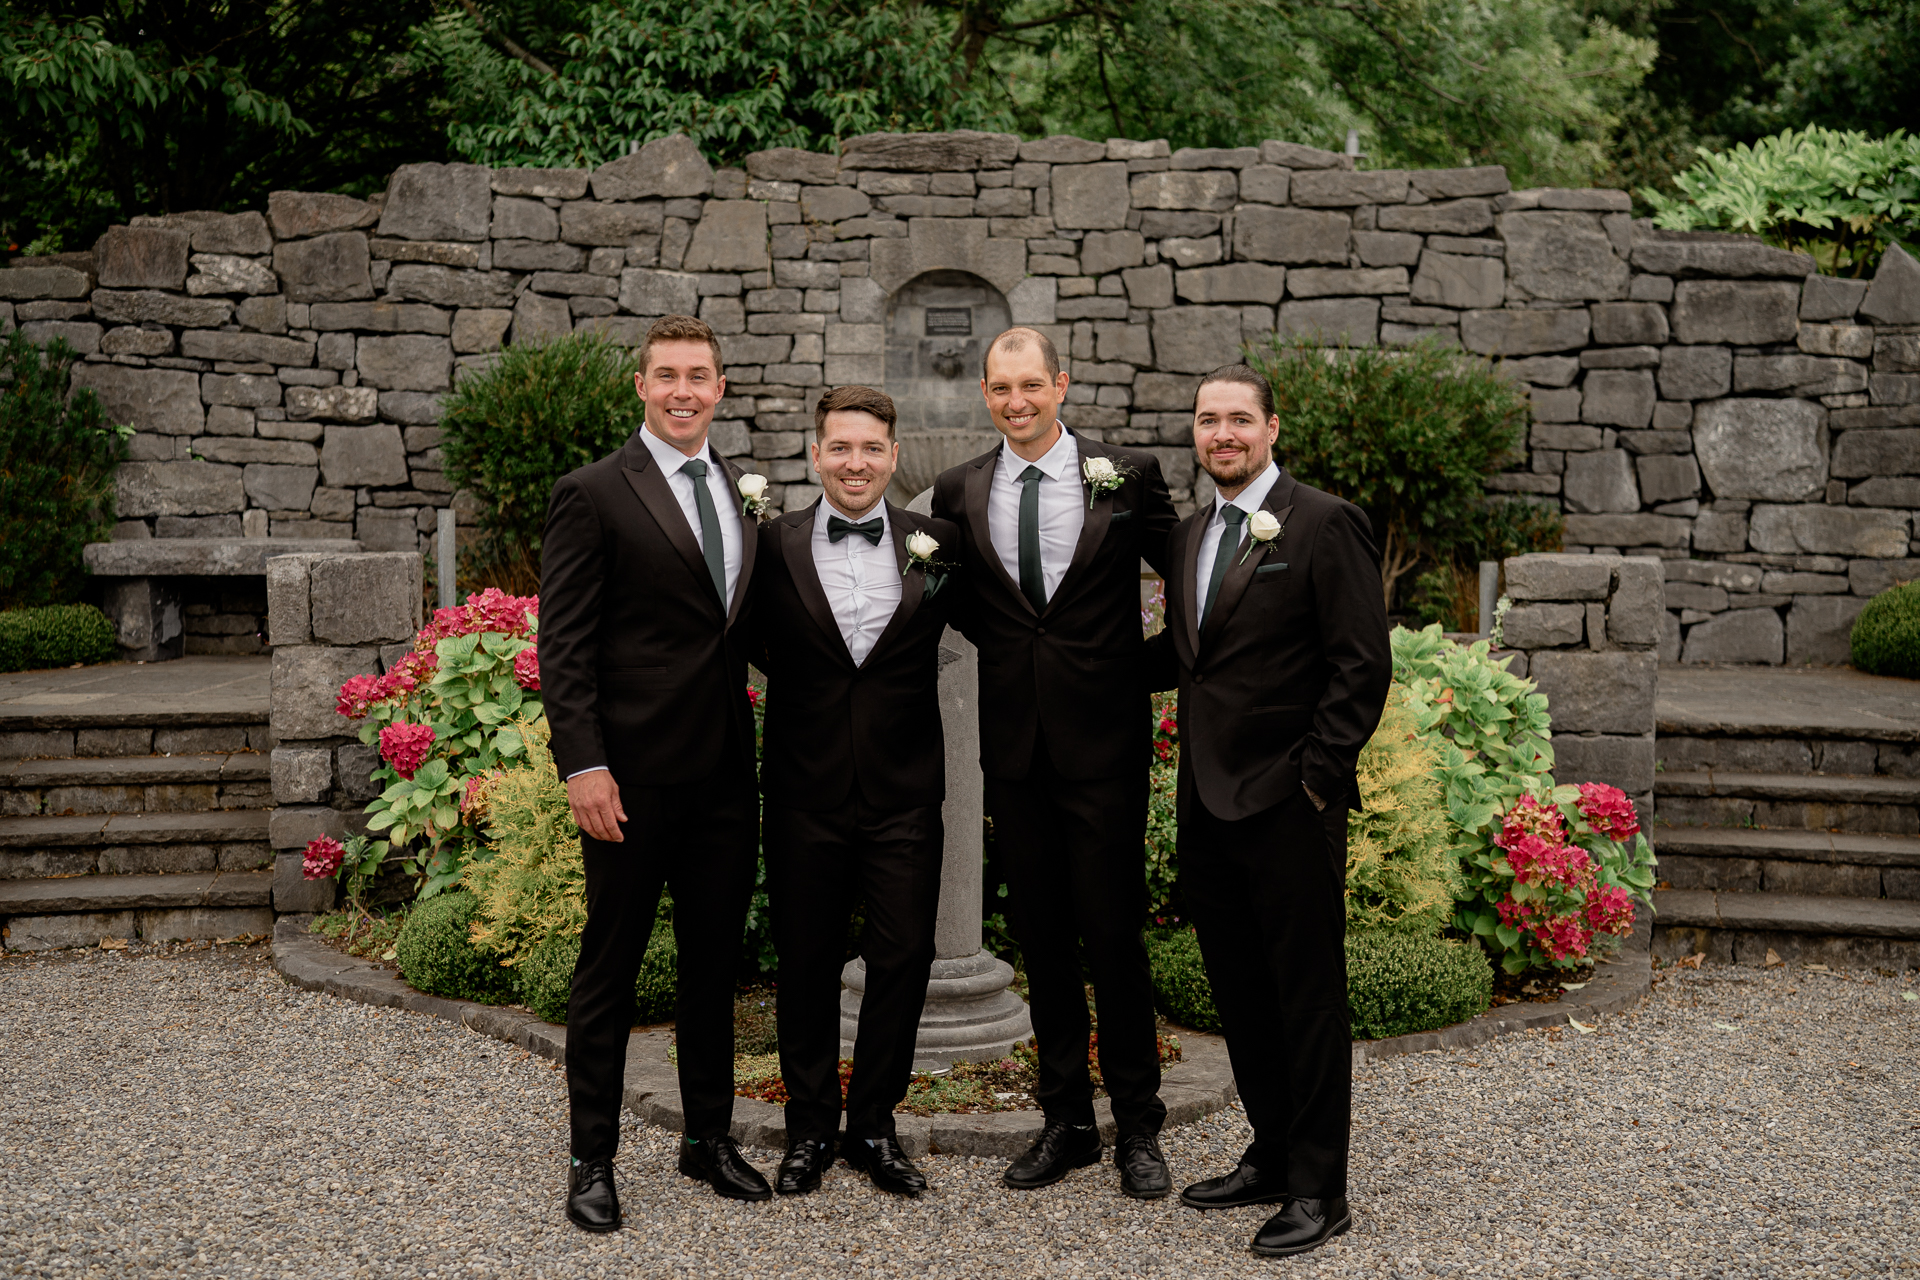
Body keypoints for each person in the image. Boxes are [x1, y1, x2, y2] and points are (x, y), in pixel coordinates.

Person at [930, 326, 1179, 1198]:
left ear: (1061, 384)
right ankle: (1066, 1120)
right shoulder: (961, 490)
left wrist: (1132, 674)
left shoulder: (1128, 474)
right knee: (1042, 938)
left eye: (1031, 385)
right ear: (988, 395)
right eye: (1001, 389)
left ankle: (1139, 1129)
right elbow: (955, 603)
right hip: (1017, 750)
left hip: (1105, 746)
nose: (1017, 402)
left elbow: (1186, 589)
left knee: (1114, 938)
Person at [1148, 363, 1391, 1258]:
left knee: (1307, 999)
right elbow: (1192, 659)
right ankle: (1272, 1152)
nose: (1223, 435)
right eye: (1208, 420)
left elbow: (1361, 665)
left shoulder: (1324, 524)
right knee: (1242, 995)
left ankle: (1322, 1192)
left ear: (1272, 428)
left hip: (1290, 803)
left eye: (1239, 420)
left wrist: (1316, 780)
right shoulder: (1186, 536)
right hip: (1208, 804)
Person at [539, 314, 771, 1232]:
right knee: (612, 968)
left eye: (700, 376)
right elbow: (565, 645)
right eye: (667, 375)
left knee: (713, 966)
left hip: (722, 774)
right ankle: (590, 1157)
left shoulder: (739, 489)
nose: (684, 390)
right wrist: (585, 765)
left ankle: (706, 1139)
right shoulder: (593, 493)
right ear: (642, 386)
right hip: (628, 781)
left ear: (720, 388)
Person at [751, 385, 961, 1198]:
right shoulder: (772, 545)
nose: (855, 462)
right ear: (816, 455)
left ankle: (874, 1123)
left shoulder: (935, 544)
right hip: (805, 789)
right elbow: (751, 642)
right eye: (840, 447)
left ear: (894, 457)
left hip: (906, 789)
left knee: (903, 958)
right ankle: (809, 1130)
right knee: (804, 959)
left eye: (871, 448)